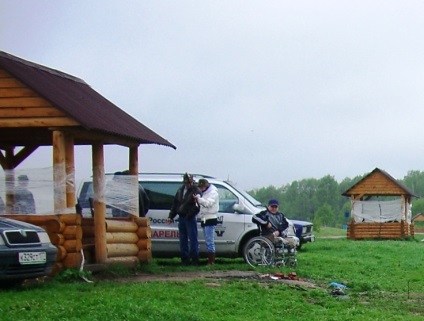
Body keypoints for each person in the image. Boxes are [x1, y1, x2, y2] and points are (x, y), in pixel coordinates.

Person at [166, 173, 200, 265]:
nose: (187, 184)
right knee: (183, 239)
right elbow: (175, 204)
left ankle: (194, 259)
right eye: (186, 182)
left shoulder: (195, 191)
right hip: (181, 217)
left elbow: (197, 206)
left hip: (190, 218)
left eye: (189, 182)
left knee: (193, 239)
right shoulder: (180, 190)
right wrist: (171, 216)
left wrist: (189, 215)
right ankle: (184, 259)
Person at [194, 178, 219, 265]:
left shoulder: (213, 193)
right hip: (204, 217)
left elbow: (208, 204)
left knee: (209, 240)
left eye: (202, 187)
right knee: (207, 240)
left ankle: (211, 261)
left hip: (210, 217)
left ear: (206, 186)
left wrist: (199, 199)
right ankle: (210, 260)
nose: (200, 189)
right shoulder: (204, 193)